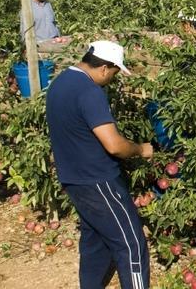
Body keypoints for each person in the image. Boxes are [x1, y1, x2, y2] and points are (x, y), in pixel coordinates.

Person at [45, 40, 152, 289]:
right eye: (114, 73)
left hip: (74, 179)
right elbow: (113, 144)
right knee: (131, 245)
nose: (112, 79)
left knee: (96, 243)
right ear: (104, 68)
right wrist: (141, 149)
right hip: (99, 181)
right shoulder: (89, 91)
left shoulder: (60, 83)